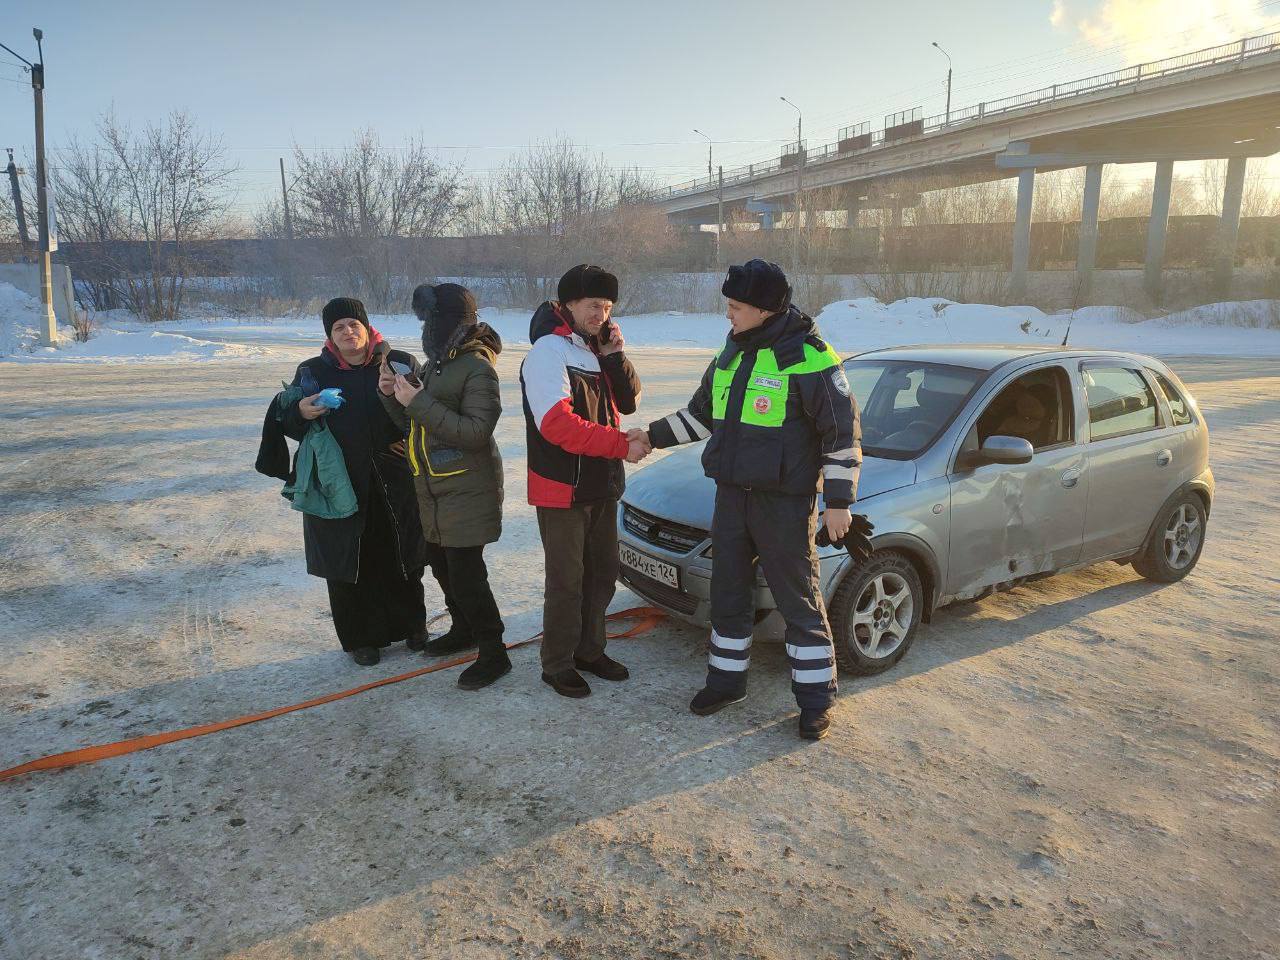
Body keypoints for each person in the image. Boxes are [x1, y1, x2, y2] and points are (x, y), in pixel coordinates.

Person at [634, 259, 866, 740]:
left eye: (736, 308)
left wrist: (839, 502)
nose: (729, 316)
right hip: (731, 498)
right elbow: (701, 418)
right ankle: (726, 682)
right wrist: (649, 437)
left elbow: (841, 435)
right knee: (729, 595)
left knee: (798, 601)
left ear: (763, 309)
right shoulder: (730, 355)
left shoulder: (813, 358)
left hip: (784, 503)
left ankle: (816, 701)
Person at [519, 264, 647, 698]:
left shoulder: (594, 349)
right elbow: (557, 425)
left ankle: (590, 650)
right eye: (593, 305)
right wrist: (619, 445)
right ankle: (556, 663)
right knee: (566, 581)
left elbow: (628, 403)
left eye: (607, 307)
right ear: (568, 303)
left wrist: (614, 357)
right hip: (561, 488)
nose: (601, 314)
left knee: (602, 574)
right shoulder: (547, 353)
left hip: (602, 484)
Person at [280, 297, 429, 665]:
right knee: (349, 559)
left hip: (394, 475)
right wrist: (301, 410)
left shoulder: (399, 362)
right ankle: (361, 638)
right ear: (330, 336)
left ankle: (413, 626)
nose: (348, 332)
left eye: (353, 324)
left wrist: (403, 395)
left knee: (402, 553)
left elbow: (424, 415)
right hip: (337, 480)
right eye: (339, 327)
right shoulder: (312, 371)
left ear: (367, 328)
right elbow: (287, 420)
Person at [378, 283, 509, 691]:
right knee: (442, 565)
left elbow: (475, 432)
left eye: (432, 320)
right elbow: (417, 426)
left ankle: (494, 652)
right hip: (433, 488)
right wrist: (392, 396)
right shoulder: (438, 364)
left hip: (467, 488)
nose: (426, 329)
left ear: (451, 323)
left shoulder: (476, 366)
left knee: (468, 575)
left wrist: (417, 402)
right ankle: (463, 629)